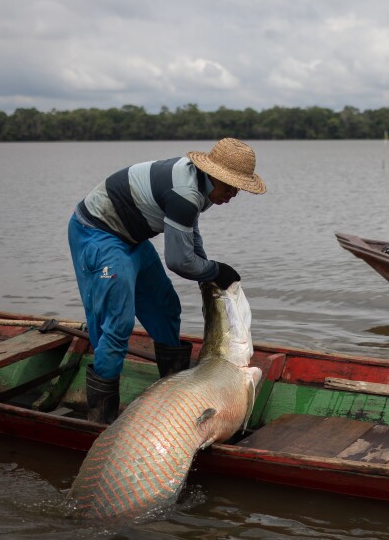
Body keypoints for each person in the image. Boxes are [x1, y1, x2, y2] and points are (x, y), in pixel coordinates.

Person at [68, 138, 266, 423]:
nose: (233, 193)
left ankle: (174, 397)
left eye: (239, 187)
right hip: (99, 233)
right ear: (213, 175)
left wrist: (208, 271)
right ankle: (101, 419)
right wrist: (213, 270)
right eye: (229, 185)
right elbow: (179, 261)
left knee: (165, 307)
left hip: (133, 238)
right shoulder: (184, 193)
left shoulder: (204, 188)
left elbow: (190, 234)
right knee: (118, 324)